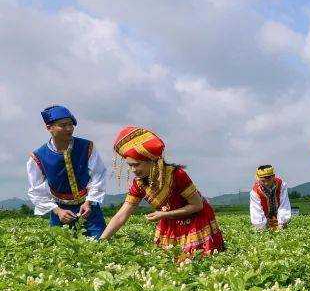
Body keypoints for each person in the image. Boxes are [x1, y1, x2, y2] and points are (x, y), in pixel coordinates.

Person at [100, 126, 225, 254]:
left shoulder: (177, 175)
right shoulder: (139, 184)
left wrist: (164, 214)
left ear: (152, 161)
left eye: (136, 165)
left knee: (196, 259)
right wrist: (101, 241)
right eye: (130, 165)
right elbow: (122, 215)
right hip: (170, 223)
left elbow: (197, 205)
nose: (133, 170)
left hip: (195, 220)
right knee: (170, 262)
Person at [26, 105, 107, 238]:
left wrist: (89, 202)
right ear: (49, 128)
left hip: (88, 208)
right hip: (60, 211)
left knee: (101, 243)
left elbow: (98, 175)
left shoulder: (87, 146)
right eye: (63, 125)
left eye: (71, 124)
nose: (69, 129)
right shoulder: (38, 156)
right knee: (62, 249)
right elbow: (36, 190)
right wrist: (57, 211)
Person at [250, 165, 292, 231]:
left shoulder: (281, 185)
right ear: (259, 179)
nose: (266, 183)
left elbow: (284, 205)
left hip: (279, 218)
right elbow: (256, 211)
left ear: (273, 176)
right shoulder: (255, 192)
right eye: (263, 181)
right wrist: (262, 226)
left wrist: (281, 223)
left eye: (268, 180)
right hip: (265, 219)